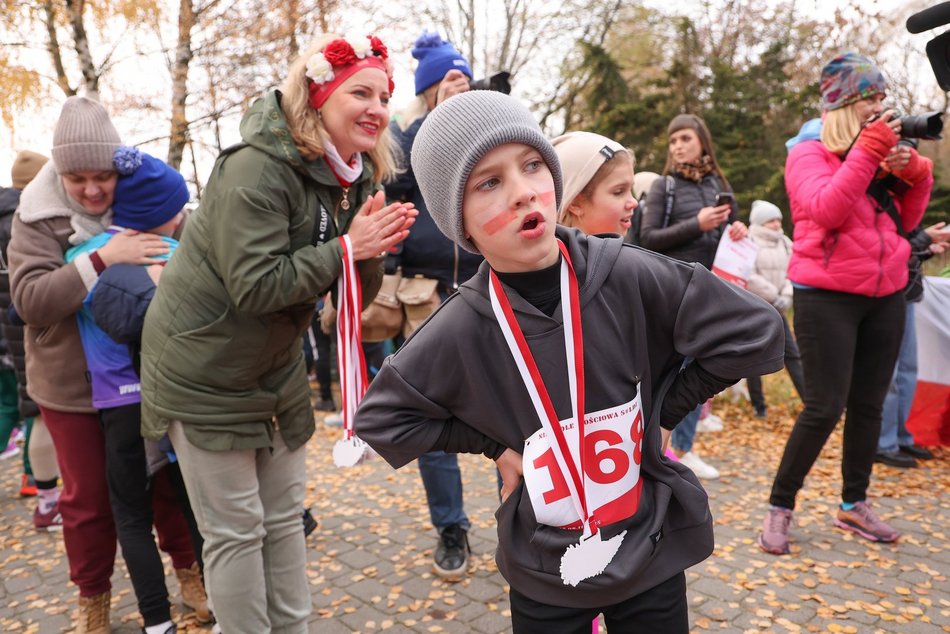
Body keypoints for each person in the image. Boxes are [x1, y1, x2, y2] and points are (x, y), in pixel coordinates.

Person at [355, 90, 784, 633]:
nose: (521, 193)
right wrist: (497, 446)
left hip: (647, 546)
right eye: (488, 182)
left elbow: (757, 331)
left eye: (532, 165)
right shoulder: (461, 323)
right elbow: (380, 420)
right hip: (544, 564)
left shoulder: (629, 272)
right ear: (457, 221)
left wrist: (662, 409)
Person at [139, 33, 414, 634]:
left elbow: (350, 303)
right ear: (317, 100)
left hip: (275, 371)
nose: (377, 106)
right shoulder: (253, 168)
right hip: (202, 372)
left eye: (385, 95)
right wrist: (349, 246)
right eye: (360, 92)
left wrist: (367, 251)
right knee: (236, 533)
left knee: (286, 519)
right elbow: (257, 286)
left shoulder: (358, 175)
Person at [7, 96, 179, 634]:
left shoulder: (143, 195)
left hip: (144, 379)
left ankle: (192, 578)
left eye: (101, 175)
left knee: (169, 488)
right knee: (88, 504)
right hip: (69, 386)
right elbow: (31, 302)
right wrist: (102, 258)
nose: (92, 190)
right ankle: (94, 600)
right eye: (77, 178)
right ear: (59, 171)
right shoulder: (34, 217)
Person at [757, 52, 933, 555]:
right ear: (843, 104)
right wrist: (870, 152)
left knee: (869, 406)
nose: (879, 108)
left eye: (882, 98)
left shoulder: (873, 149)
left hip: (887, 293)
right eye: (869, 99)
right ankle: (780, 506)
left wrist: (915, 173)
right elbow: (825, 210)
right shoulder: (807, 152)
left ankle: (853, 506)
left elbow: (908, 220)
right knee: (823, 406)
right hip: (826, 295)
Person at [65, 149, 207, 634]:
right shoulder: (176, 253)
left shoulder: (83, 256)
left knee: (131, 513)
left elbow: (43, 304)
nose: (182, 215)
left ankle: (156, 622)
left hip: (116, 402)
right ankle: (217, 601)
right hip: (175, 398)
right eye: (177, 207)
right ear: (160, 213)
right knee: (191, 503)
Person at [384, 30, 483, 580]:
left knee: (514, 408)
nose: (458, 86)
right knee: (434, 415)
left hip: (489, 285)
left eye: (464, 80)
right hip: (424, 296)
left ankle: (525, 515)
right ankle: (451, 527)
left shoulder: (488, 129)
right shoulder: (405, 139)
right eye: (448, 80)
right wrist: (434, 126)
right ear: (426, 91)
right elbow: (391, 189)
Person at [639, 113, 748, 480]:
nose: (677, 146)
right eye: (672, 141)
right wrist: (696, 224)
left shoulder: (719, 182)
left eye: (684, 138)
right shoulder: (663, 187)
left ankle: (682, 449)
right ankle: (664, 448)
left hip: (712, 292)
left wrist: (736, 230)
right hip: (672, 294)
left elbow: (724, 237)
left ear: (702, 140)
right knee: (672, 374)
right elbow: (649, 238)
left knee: (699, 375)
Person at [0, 151, 61, 510]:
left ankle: (34, 481)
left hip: (7, 329)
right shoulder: (26, 218)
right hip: (23, 326)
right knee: (31, 408)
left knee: (21, 406)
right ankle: (41, 490)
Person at [875, 220, 949, 467]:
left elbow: (909, 255)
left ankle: (902, 437)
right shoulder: (885, 210)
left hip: (908, 297)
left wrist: (926, 250)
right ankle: (883, 443)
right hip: (885, 299)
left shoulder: (908, 215)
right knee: (890, 375)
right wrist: (923, 241)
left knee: (908, 371)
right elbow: (890, 252)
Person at [745, 199, 806, 418]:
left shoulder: (786, 242)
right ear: (761, 222)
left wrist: (787, 294)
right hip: (756, 307)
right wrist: (773, 294)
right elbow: (748, 274)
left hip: (779, 308)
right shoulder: (748, 240)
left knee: (792, 355)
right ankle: (758, 406)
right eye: (771, 220)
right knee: (753, 359)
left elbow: (795, 268)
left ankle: (809, 401)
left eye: (778, 219)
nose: (777, 224)